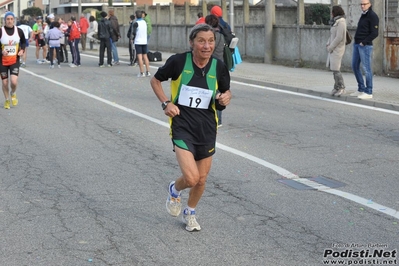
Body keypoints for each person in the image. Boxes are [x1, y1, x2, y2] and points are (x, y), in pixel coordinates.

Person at [150, 23, 231, 232]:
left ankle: (190, 211)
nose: (206, 46)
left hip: (206, 127)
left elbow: (224, 94)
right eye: (201, 41)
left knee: (201, 180)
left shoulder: (219, 67)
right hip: (182, 125)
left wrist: (225, 98)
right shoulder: (178, 61)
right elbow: (156, 80)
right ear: (192, 43)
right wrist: (165, 103)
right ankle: (174, 189)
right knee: (192, 178)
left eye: (211, 41)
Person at [350, 0, 379, 100]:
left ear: (369, 4)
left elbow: (375, 33)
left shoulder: (372, 15)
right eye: (361, 4)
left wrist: (364, 42)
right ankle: (361, 88)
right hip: (357, 44)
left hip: (365, 46)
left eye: (364, 4)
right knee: (354, 66)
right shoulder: (363, 15)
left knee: (366, 69)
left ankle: (369, 91)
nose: (362, 6)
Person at [1, 12, 26, 109]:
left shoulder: (19, 31)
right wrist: (1, 52)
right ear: (5, 20)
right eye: (8, 19)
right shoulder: (1, 31)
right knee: (4, 83)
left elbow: (23, 42)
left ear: (14, 20)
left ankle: (13, 93)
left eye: (11, 19)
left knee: (14, 81)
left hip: (14, 60)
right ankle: (7, 100)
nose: (10, 21)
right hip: (2, 61)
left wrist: (22, 50)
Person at [205, 14, 225, 127]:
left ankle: (213, 118)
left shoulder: (210, 36)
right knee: (218, 93)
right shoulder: (221, 35)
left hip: (210, 65)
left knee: (210, 91)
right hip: (220, 66)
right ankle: (219, 120)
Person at [326, 6, 347, 97]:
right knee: (334, 69)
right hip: (333, 48)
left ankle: (341, 87)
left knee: (336, 69)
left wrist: (331, 47)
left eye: (332, 12)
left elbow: (339, 37)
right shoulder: (335, 21)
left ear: (335, 12)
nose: (331, 14)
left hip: (338, 48)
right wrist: (328, 43)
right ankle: (336, 86)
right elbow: (332, 35)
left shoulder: (341, 22)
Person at [133, 10, 151, 77]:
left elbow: (134, 33)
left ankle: (141, 72)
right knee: (145, 56)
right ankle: (148, 71)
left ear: (136, 16)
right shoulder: (144, 22)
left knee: (140, 57)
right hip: (144, 41)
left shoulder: (136, 23)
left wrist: (132, 38)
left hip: (138, 41)